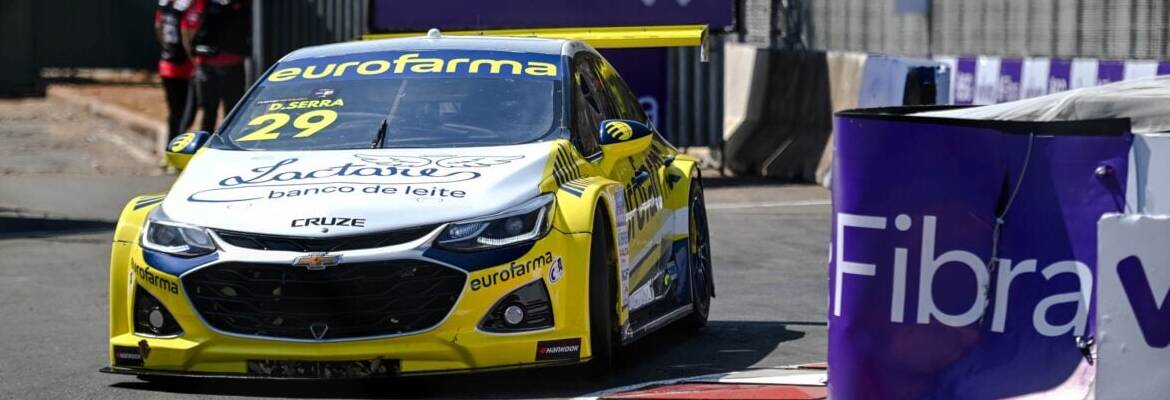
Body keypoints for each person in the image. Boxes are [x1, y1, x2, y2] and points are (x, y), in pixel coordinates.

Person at [182, 0, 251, 132]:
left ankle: (226, 150)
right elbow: (188, 28)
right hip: (210, 65)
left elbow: (187, 30)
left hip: (230, 65)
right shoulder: (202, 4)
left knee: (232, 115)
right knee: (210, 115)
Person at [155, 0, 195, 141]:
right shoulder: (186, 5)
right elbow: (186, 33)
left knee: (175, 112)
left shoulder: (164, 4)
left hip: (166, 63)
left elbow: (158, 26)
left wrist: (166, 48)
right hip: (183, 66)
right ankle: (175, 146)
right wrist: (193, 60)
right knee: (185, 112)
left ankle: (170, 145)